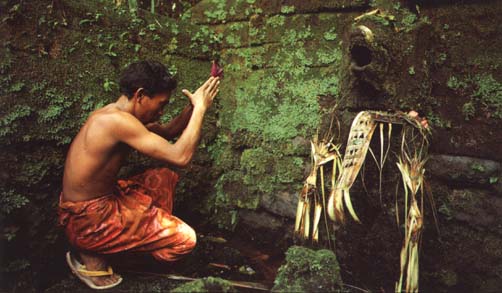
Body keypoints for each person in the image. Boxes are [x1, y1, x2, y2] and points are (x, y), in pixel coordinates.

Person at [58, 61, 220, 289]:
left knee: (163, 178)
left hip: (98, 206)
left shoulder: (117, 115)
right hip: (90, 220)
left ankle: (110, 244)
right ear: (141, 95)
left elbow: (169, 131)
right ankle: (95, 254)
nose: (161, 111)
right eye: (160, 104)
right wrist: (201, 109)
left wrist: (194, 105)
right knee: (185, 240)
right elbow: (181, 156)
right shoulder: (116, 122)